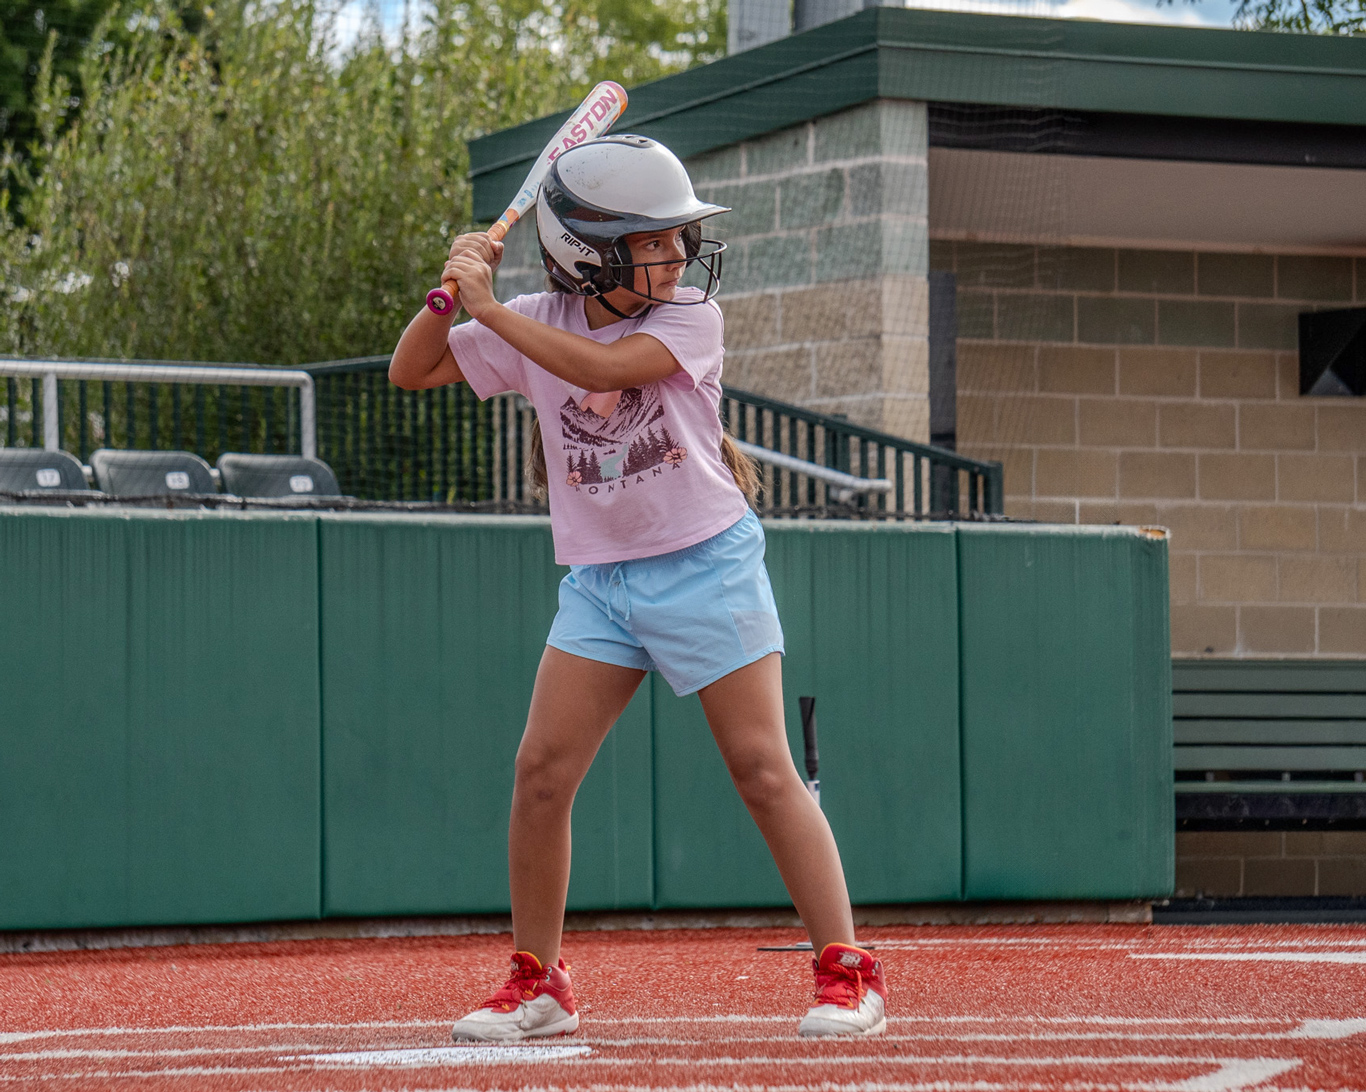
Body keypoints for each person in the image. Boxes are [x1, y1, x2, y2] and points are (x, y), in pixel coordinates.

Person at [388, 133, 886, 1041]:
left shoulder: (690, 318)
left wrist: (491, 310)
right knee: (540, 775)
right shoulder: (537, 313)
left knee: (763, 769)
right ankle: (540, 986)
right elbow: (410, 369)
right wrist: (451, 291)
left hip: (706, 563)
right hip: (602, 584)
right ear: (589, 257)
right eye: (653, 240)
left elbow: (602, 369)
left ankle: (848, 974)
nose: (679, 253)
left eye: (675, 238)